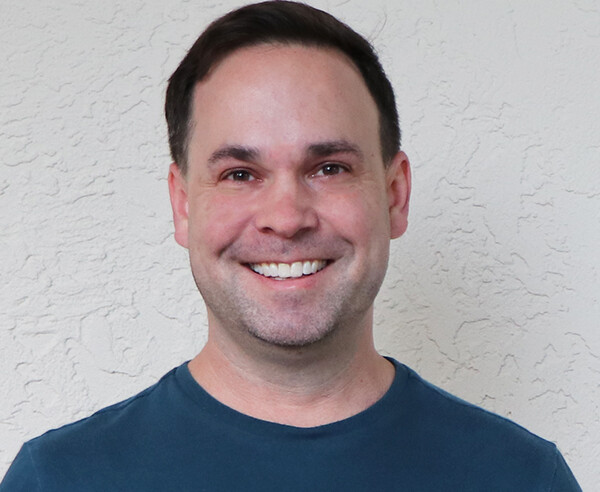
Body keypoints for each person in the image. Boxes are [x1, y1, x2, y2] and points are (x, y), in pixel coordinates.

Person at [0, 2, 581, 491]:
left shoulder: (522, 477)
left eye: (329, 167)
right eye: (239, 174)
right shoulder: (57, 479)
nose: (286, 218)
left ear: (395, 195)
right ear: (182, 205)